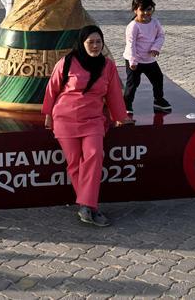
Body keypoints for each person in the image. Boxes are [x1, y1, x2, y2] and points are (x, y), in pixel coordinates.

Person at [41, 25, 133, 227]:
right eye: (90, 42)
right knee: (74, 163)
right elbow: (52, 88)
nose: (95, 45)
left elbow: (114, 94)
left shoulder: (107, 66)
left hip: (93, 120)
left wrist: (120, 116)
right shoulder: (66, 63)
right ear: (82, 44)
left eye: (98, 42)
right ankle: (89, 207)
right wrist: (47, 114)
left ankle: (87, 205)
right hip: (65, 119)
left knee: (94, 155)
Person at [122, 0, 171, 115]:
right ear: (135, 10)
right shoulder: (133, 26)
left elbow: (160, 35)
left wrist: (156, 47)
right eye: (142, 10)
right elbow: (131, 44)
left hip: (149, 60)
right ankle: (126, 103)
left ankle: (158, 100)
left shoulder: (155, 22)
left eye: (149, 10)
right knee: (133, 84)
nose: (146, 13)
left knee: (158, 79)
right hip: (135, 60)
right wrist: (133, 61)